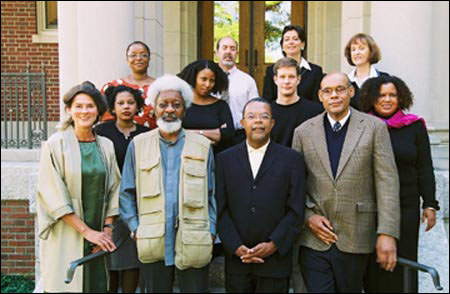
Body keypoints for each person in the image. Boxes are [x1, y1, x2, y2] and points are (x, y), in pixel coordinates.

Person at [291, 72, 400, 293]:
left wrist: (387, 233)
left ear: (351, 91)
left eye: (340, 89)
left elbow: (387, 182)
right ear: (320, 96)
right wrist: (307, 217)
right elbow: (294, 185)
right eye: (328, 91)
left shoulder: (374, 128)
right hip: (314, 239)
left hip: (357, 235)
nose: (334, 96)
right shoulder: (303, 132)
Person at [120, 74, 216, 293]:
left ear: (185, 109)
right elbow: (126, 192)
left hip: (194, 237)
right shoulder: (138, 144)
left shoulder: (203, 146)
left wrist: (210, 229)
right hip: (152, 238)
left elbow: (212, 193)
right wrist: (135, 228)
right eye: (163, 104)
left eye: (176, 105)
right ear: (154, 109)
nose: (170, 109)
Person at [36, 81, 120, 293]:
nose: (85, 111)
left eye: (90, 106)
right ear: (69, 110)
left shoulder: (106, 146)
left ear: (98, 111)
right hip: (67, 231)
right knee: (67, 284)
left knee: (95, 285)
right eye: (79, 106)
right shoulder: (55, 144)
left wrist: (106, 231)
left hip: (99, 234)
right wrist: (87, 232)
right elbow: (52, 194)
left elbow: (114, 189)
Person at [359, 75, 440, 293]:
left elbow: (424, 167)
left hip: (406, 206)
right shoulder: (362, 125)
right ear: (371, 98)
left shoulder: (414, 126)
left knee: (402, 262)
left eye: (392, 95)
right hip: (371, 206)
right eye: (381, 95)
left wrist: (430, 204)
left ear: (400, 97)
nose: (387, 100)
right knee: (374, 265)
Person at [216, 97, 305, 293]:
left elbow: (296, 209)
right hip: (238, 261)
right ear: (242, 123)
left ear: (272, 123)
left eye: (264, 117)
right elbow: (219, 208)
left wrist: (274, 244)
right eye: (251, 117)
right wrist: (235, 245)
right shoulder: (224, 160)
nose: (258, 121)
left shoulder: (291, 159)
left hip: (275, 262)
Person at [95, 85, 150, 293]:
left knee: (131, 258)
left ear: (137, 106)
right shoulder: (102, 131)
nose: (126, 107)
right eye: (120, 103)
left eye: (130, 102)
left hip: (138, 202)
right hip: (109, 202)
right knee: (110, 257)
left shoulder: (146, 134)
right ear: (113, 107)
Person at [178, 59, 235, 155]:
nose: (208, 84)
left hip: (215, 159)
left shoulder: (221, 106)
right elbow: (174, 133)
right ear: (194, 78)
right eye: (203, 79)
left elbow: (228, 134)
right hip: (185, 158)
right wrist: (213, 135)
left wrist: (190, 133)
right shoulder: (181, 104)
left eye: (212, 80)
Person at [101, 40, 157, 129]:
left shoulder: (160, 87)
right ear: (127, 59)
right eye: (133, 55)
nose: (138, 58)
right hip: (119, 140)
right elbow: (106, 119)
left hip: (153, 139)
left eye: (143, 55)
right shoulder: (114, 86)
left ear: (149, 59)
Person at [215, 36, 260, 144]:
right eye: (224, 48)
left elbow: (255, 111)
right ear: (217, 52)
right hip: (213, 135)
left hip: (240, 136)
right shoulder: (208, 80)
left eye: (232, 48)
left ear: (237, 53)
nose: (228, 52)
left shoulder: (248, 81)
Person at [270, 57, 323, 147]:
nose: (287, 81)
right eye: (282, 77)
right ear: (275, 79)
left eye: (291, 77)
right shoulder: (267, 113)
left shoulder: (315, 112)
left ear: (298, 79)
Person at [263, 25, 323, 103]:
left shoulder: (315, 71)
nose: (291, 42)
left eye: (295, 39)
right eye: (287, 39)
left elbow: (317, 102)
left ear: (303, 44)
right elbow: (268, 101)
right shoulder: (271, 70)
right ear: (282, 46)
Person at [344, 33, 389, 110]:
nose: (357, 53)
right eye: (353, 49)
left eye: (361, 48)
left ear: (371, 51)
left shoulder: (383, 79)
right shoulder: (345, 81)